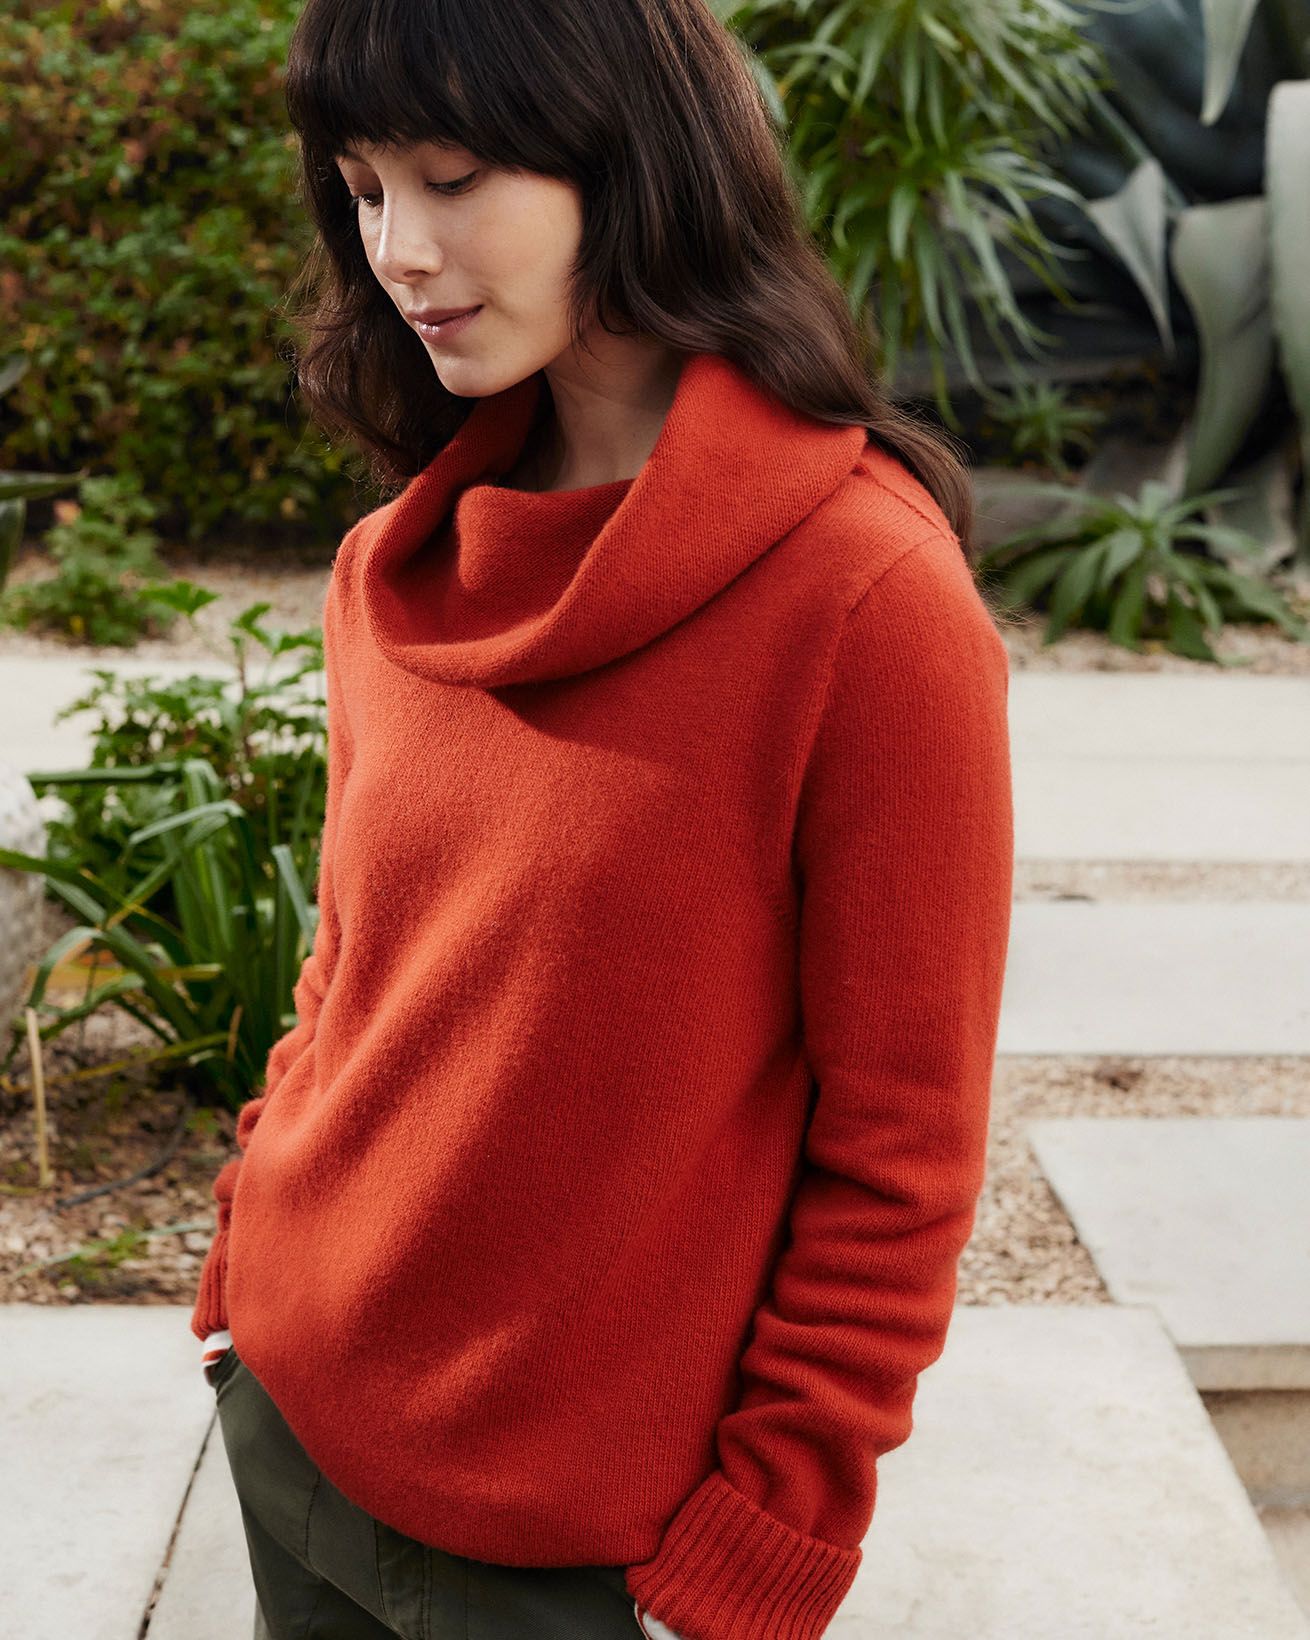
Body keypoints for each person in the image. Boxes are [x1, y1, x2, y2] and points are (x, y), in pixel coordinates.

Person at [194, 1, 1015, 1637]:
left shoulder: (865, 601)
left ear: (632, 162)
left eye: (452, 177)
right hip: (291, 1411)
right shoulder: (391, 570)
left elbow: (900, 1149)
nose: (397, 251)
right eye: (363, 190)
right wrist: (241, 1268)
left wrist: (764, 1535)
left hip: (575, 1553)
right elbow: (349, 973)